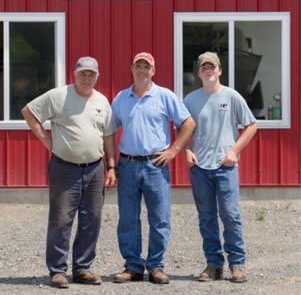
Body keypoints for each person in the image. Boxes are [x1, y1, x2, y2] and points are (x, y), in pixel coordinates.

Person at [21, 56, 117, 289]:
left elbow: (108, 135)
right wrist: (47, 141)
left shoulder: (102, 101)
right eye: (83, 73)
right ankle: (57, 271)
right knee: (61, 220)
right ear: (74, 74)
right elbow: (28, 111)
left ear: (97, 76)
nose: (87, 78)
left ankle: (83, 269)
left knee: (91, 219)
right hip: (65, 167)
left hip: (94, 168)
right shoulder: (58, 96)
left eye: (91, 74)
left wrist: (112, 166)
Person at [111, 52, 195, 285]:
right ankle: (133, 266)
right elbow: (109, 129)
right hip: (127, 164)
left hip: (154, 165)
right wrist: (110, 162)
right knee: (128, 218)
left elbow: (188, 122)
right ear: (132, 69)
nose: (142, 70)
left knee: (160, 218)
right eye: (138, 66)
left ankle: (156, 265)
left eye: (146, 67)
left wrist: (174, 150)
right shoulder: (121, 98)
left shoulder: (164, 96)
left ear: (153, 71)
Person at [183, 51, 257, 284]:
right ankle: (213, 264)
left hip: (225, 167)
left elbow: (251, 126)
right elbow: (182, 128)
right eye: (204, 67)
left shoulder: (231, 96)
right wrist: (186, 149)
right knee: (206, 218)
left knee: (231, 215)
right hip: (200, 168)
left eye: (212, 67)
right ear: (199, 72)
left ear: (219, 70)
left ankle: (237, 264)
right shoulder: (190, 100)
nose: (208, 71)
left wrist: (234, 152)